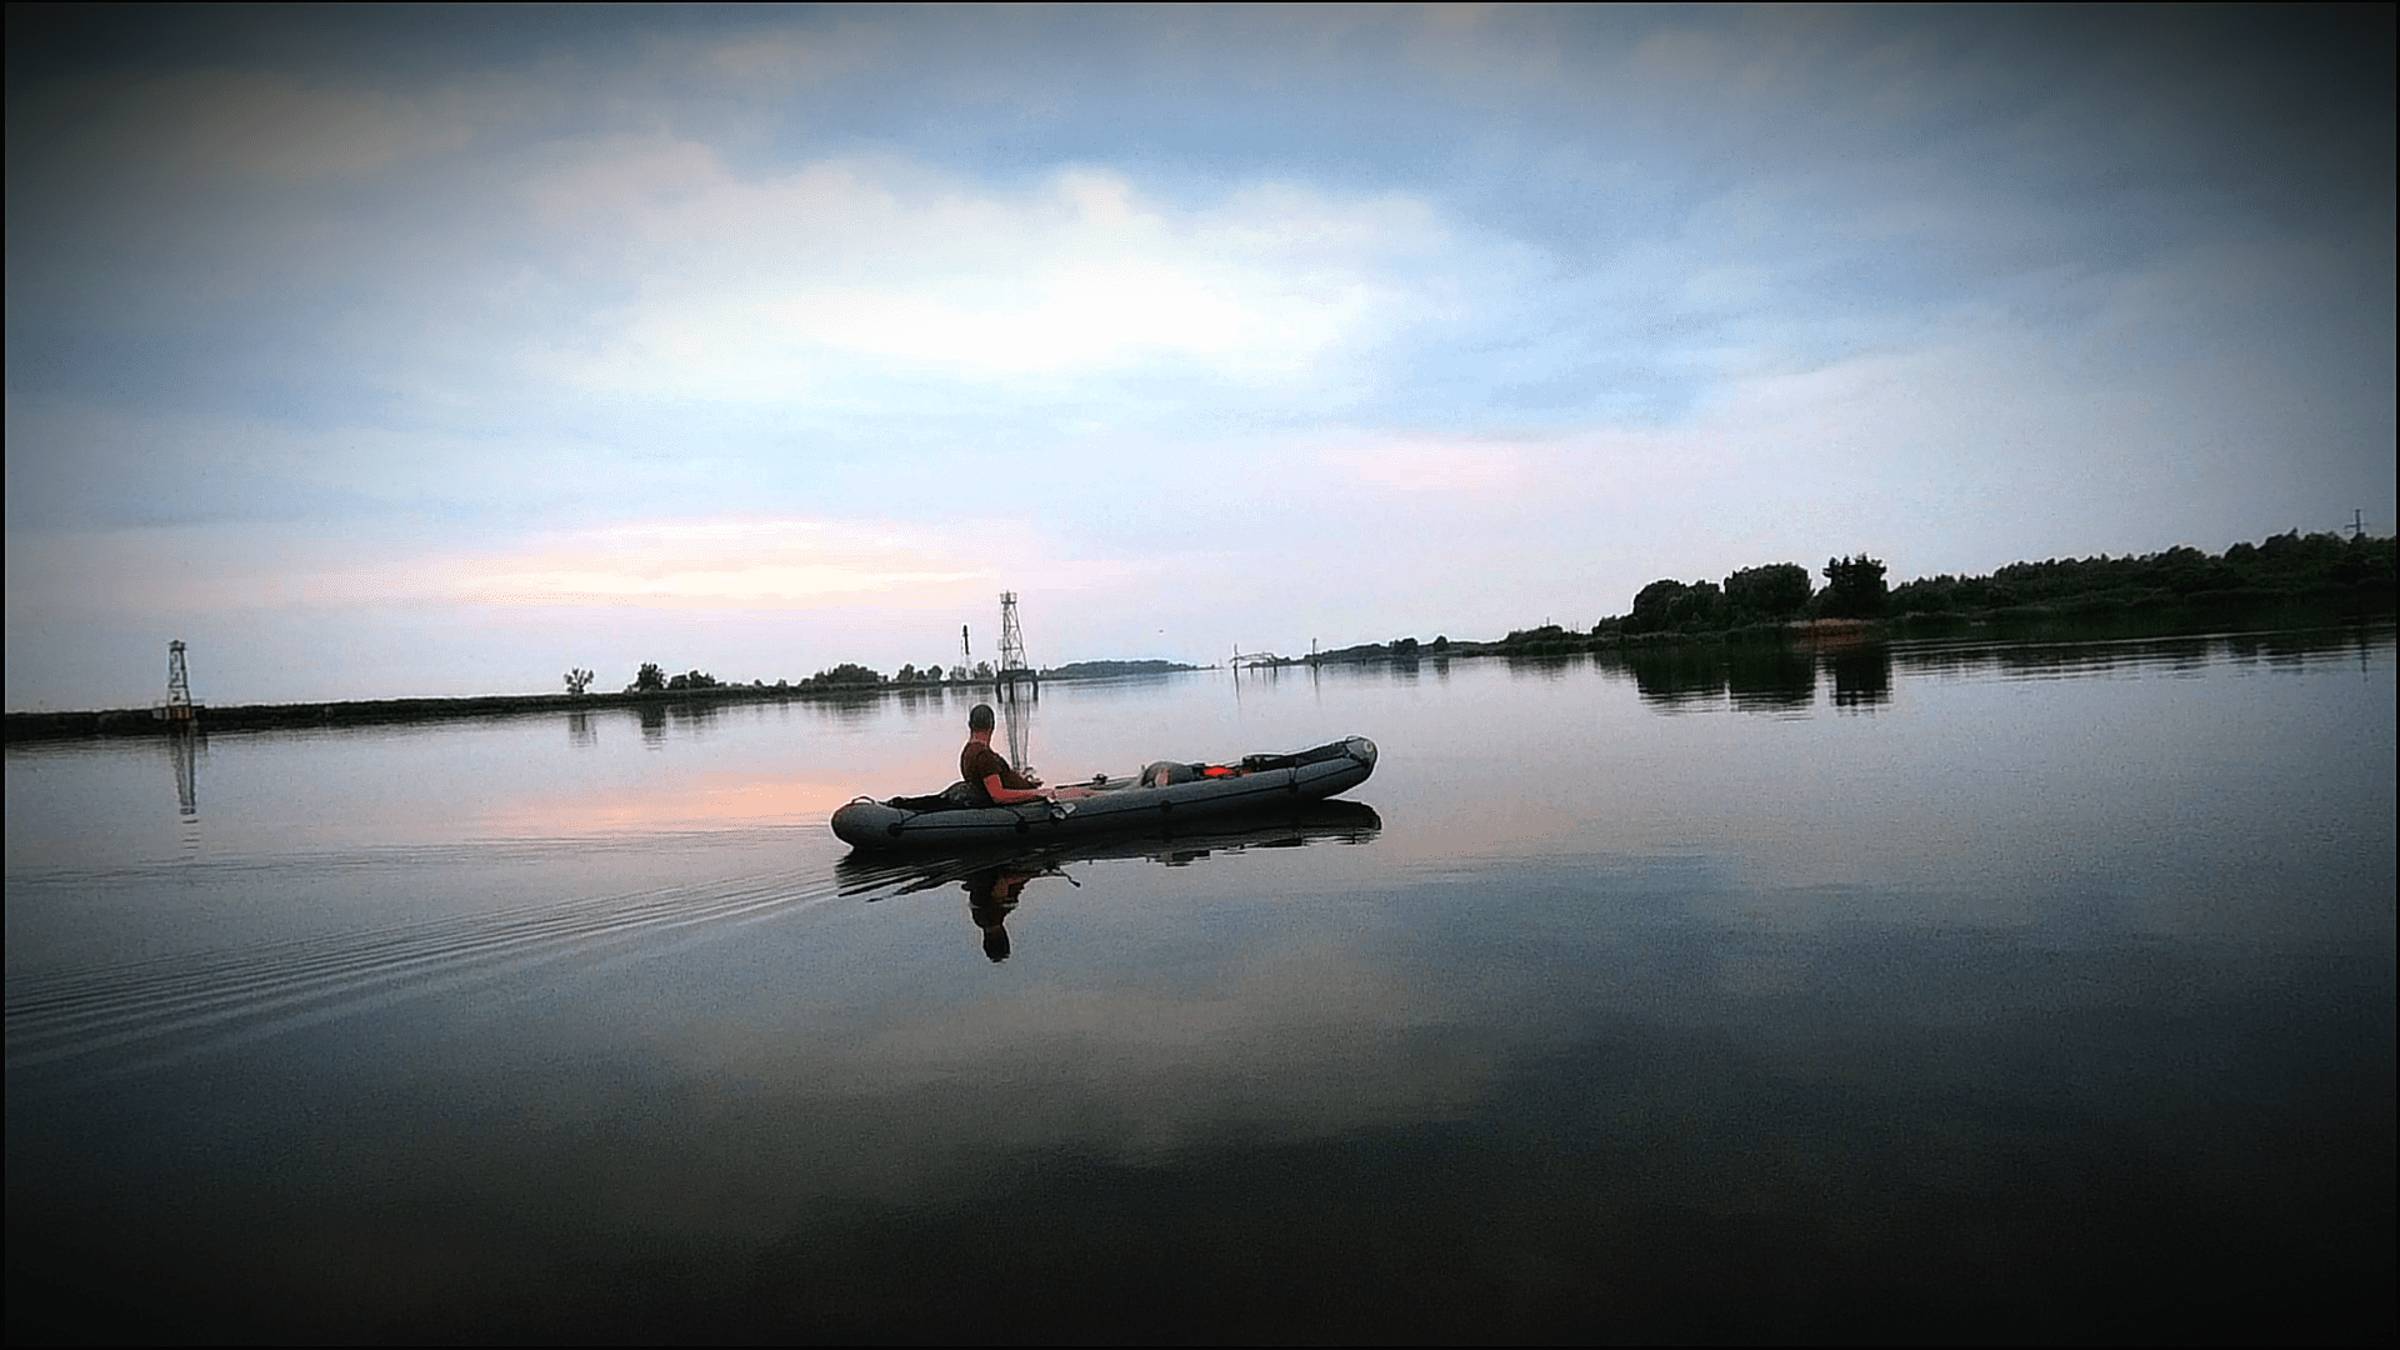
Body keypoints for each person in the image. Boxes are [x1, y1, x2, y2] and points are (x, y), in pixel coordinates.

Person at [960, 703, 1089, 807]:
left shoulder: (968, 751)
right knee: (1082, 793)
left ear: (970, 725)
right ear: (992, 725)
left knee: (1077, 790)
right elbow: (997, 795)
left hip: (1024, 792)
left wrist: (1021, 779)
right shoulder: (983, 756)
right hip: (1024, 805)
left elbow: (993, 781)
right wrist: (1038, 793)